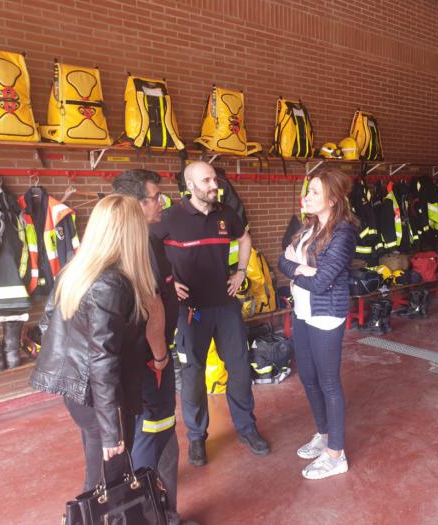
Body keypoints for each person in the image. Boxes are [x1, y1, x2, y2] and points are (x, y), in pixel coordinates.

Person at [30, 194, 156, 491]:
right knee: (106, 479)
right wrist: (112, 430)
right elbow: (103, 360)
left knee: (100, 470)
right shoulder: (110, 284)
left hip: (80, 393)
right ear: (132, 233)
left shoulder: (78, 268)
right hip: (100, 396)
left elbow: (47, 321)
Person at [151, 161, 269, 467]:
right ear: (190, 186)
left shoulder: (226, 213)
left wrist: (241, 272)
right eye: (206, 180)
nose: (213, 184)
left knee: (240, 371)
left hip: (226, 306)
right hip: (190, 312)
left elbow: (244, 240)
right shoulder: (170, 218)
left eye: (214, 179)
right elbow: (147, 246)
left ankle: (246, 428)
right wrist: (168, 281)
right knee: (192, 378)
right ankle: (196, 437)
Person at [112, 169, 190, 525]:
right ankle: (151, 516)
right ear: (136, 204)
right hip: (150, 365)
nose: (162, 201)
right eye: (155, 197)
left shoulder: (143, 238)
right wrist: (160, 358)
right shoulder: (138, 246)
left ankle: (162, 512)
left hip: (144, 363)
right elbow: (150, 308)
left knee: (164, 440)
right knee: (152, 441)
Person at [278, 168, 358, 480]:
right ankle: (323, 434)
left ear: (334, 198)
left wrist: (297, 270)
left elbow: (323, 282)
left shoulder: (343, 233)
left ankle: (336, 455)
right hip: (302, 311)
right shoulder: (306, 228)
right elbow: (281, 261)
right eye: (307, 190)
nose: (306, 196)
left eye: (314, 191)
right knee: (308, 378)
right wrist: (301, 269)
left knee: (328, 382)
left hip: (326, 313)